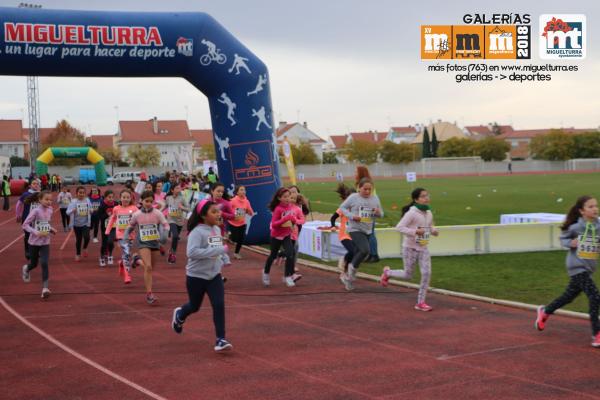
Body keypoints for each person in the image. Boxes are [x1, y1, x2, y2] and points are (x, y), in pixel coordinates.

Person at [535, 195, 600, 347]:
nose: (595, 209)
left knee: (568, 297)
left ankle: (545, 311)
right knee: (594, 296)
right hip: (576, 266)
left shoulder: (598, 226)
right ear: (581, 211)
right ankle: (597, 333)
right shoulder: (575, 227)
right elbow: (563, 238)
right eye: (590, 207)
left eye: (596, 205)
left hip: (589, 267)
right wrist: (571, 242)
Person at [171, 199, 232, 352]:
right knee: (194, 306)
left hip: (214, 276)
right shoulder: (196, 232)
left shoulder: (217, 229)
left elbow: (217, 247)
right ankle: (180, 314)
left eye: (218, 211)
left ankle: (220, 339)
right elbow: (191, 253)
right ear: (204, 215)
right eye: (214, 211)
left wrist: (224, 257)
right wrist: (219, 251)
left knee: (219, 305)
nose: (219, 214)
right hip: (196, 277)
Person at [380, 188, 439, 311]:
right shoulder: (411, 213)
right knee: (408, 275)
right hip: (410, 248)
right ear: (416, 199)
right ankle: (387, 273)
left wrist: (433, 230)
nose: (426, 198)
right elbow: (399, 227)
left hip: (423, 247)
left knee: (426, 273)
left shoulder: (429, 212)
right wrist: (415, 232)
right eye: (423, 196)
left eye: (427, 195)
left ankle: (421, 302)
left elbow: (429, 225)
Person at [124, 190, 169, 304]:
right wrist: (125, 236)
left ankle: (137, 260)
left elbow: (165, 224)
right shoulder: (137, 214)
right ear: (141, 201)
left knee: (150, 268)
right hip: (143, 242)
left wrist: (165, 234)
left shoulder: (157, 213)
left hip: (155, 242)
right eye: (146, 201)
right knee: (148, 267)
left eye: (150, 201)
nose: (148, 203)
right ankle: (149, 293)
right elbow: (130, 226)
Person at [338, 177, 383, 291]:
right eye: (365, 189)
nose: (367, 192)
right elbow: (342, 208)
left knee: (360, 252)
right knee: (365, 250)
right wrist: (352, 216)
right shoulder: (354, 197)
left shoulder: (375, 198)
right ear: (359, 188)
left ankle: (348, 278)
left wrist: (378, 213)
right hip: (355, 229)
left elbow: (381, 213)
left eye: (370, 189)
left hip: (368, 229)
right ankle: (351, 272)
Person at [262, 187, 301, 287]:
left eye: (289, 196)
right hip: (276, 236)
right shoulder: (278, 209)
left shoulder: (290, 207)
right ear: (279, 198)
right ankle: (266, 273)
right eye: (285, 197)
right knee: (273, 256)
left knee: (290, 253)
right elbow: (274, 224)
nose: (288, 198)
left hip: (286, 235)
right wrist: (285, 219)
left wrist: (293, 222)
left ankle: (288, 276)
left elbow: (292, 219)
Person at [21, 191, 57, 299]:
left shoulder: (50, 210)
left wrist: (51, 229)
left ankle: (45, 288)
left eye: (50, 200)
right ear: (39, 200)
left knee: (44, 263)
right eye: (46, 199)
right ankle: (26, 269)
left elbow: (45, 223)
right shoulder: (35, 211)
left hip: (45, 241)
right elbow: (25, 225)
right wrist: (36, 232)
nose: (49, 202)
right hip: (34, 242)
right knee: (34, 264)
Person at [104, 189, 138, 284]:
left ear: (131, 198)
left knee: (126, 253)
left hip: (131, 235)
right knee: (126, 253)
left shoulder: (134, 208)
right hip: (120, 235)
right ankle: (127, 275)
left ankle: (122, 264)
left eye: (128, 197)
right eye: (124, 197)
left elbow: (139, 218)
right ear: (120, 198)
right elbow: (112, 219)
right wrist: (107, 231)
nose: (126, 199)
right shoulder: (116, 209)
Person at [355, 166, 380, 263]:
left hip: (367, 210)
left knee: (370, 233)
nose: (355, 174)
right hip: (365, 210)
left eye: (356, 172)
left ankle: (374, 255)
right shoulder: (366, 183)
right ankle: (370, 254)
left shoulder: (366, 184)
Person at [330, 184, 357, 273]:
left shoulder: (358, 208)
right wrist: (333, 226)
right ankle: (345, 266)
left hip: (355, 233)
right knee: (352, 251)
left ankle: (345, 266)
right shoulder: (343, 208)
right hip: (344, 234)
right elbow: (333, 218)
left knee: (355, 252)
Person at [164, 183, 190, 264]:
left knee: (175, 237)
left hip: (180, 221)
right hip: (171, 220)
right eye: (177, 188)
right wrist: (157, 211)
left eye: (180, 188)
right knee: (175, 235)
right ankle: (173, 254)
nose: (179, 190)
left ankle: (171, 250)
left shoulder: (182, 198)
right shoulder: (168, 198)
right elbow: (164, 206)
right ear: (172, 190)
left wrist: (182, 208)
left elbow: (189, 209)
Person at [16, 179, 41, 261]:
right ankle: (28, 251)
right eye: (34, 183)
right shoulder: (25, 194)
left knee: (38, 235)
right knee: (28, 235)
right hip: (27, 218)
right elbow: (19, 204)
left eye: (37, 184)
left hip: (38, 219)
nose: (36, 185)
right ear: (30, 185)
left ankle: (36, 252)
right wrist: (18, 215)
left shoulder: (41, 194)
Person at [228, 185, 254, 260]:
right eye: (241, 190)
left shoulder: (246, 201)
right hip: (233, 223)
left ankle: (236, 253)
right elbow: (228, 210)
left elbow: (251, 212)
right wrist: (234, 213)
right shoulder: (232, 200)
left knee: (241, 239)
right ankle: (230, 235)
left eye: (244, 190)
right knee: (234, 239)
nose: (243, 191)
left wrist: (248, 212)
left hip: (242, 223)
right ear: (237, 192)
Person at [67, 186, 92, 261]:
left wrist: (91, 210)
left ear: (85, 194)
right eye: (80, 193)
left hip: (86, 223)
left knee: (87, 237)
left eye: (83, 193)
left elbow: (91, 208)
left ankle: (84, 248)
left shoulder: (87, 200)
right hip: (76, 224)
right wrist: (72, 210)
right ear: (76, 193)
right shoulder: (73, 202)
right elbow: (67, 212)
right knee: (79, 239)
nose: (81, 194)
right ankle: (78, 254)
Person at [97, 190, 116, 267]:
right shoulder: (102, 205)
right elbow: (99, 216)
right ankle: (102, 256)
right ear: (105, 197)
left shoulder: (116, 204)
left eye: (112, 197)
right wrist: (107, 215)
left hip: (113, 227)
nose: (111, 199)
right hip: (104, 227)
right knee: (104, 243)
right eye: (109, 197)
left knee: (111, 241)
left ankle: (110, 255)